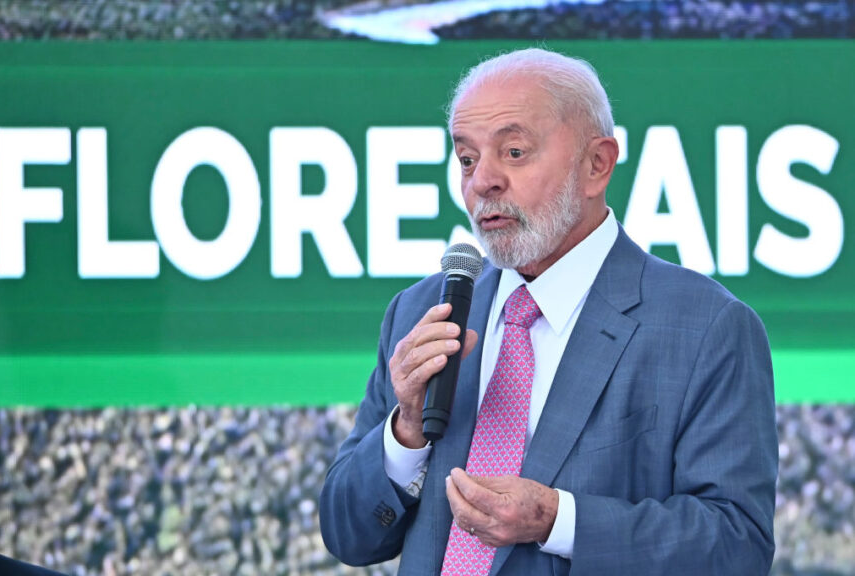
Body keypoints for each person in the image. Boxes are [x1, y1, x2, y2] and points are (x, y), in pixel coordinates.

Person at [319, 47, 777, 575]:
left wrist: (560, 521)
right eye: (467, 159)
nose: (481, 182)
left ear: (596, 165)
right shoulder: (424, 311)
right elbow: (348, 536)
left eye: (513, 152)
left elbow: (736, 547)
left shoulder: (705, 328)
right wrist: (405, 436)